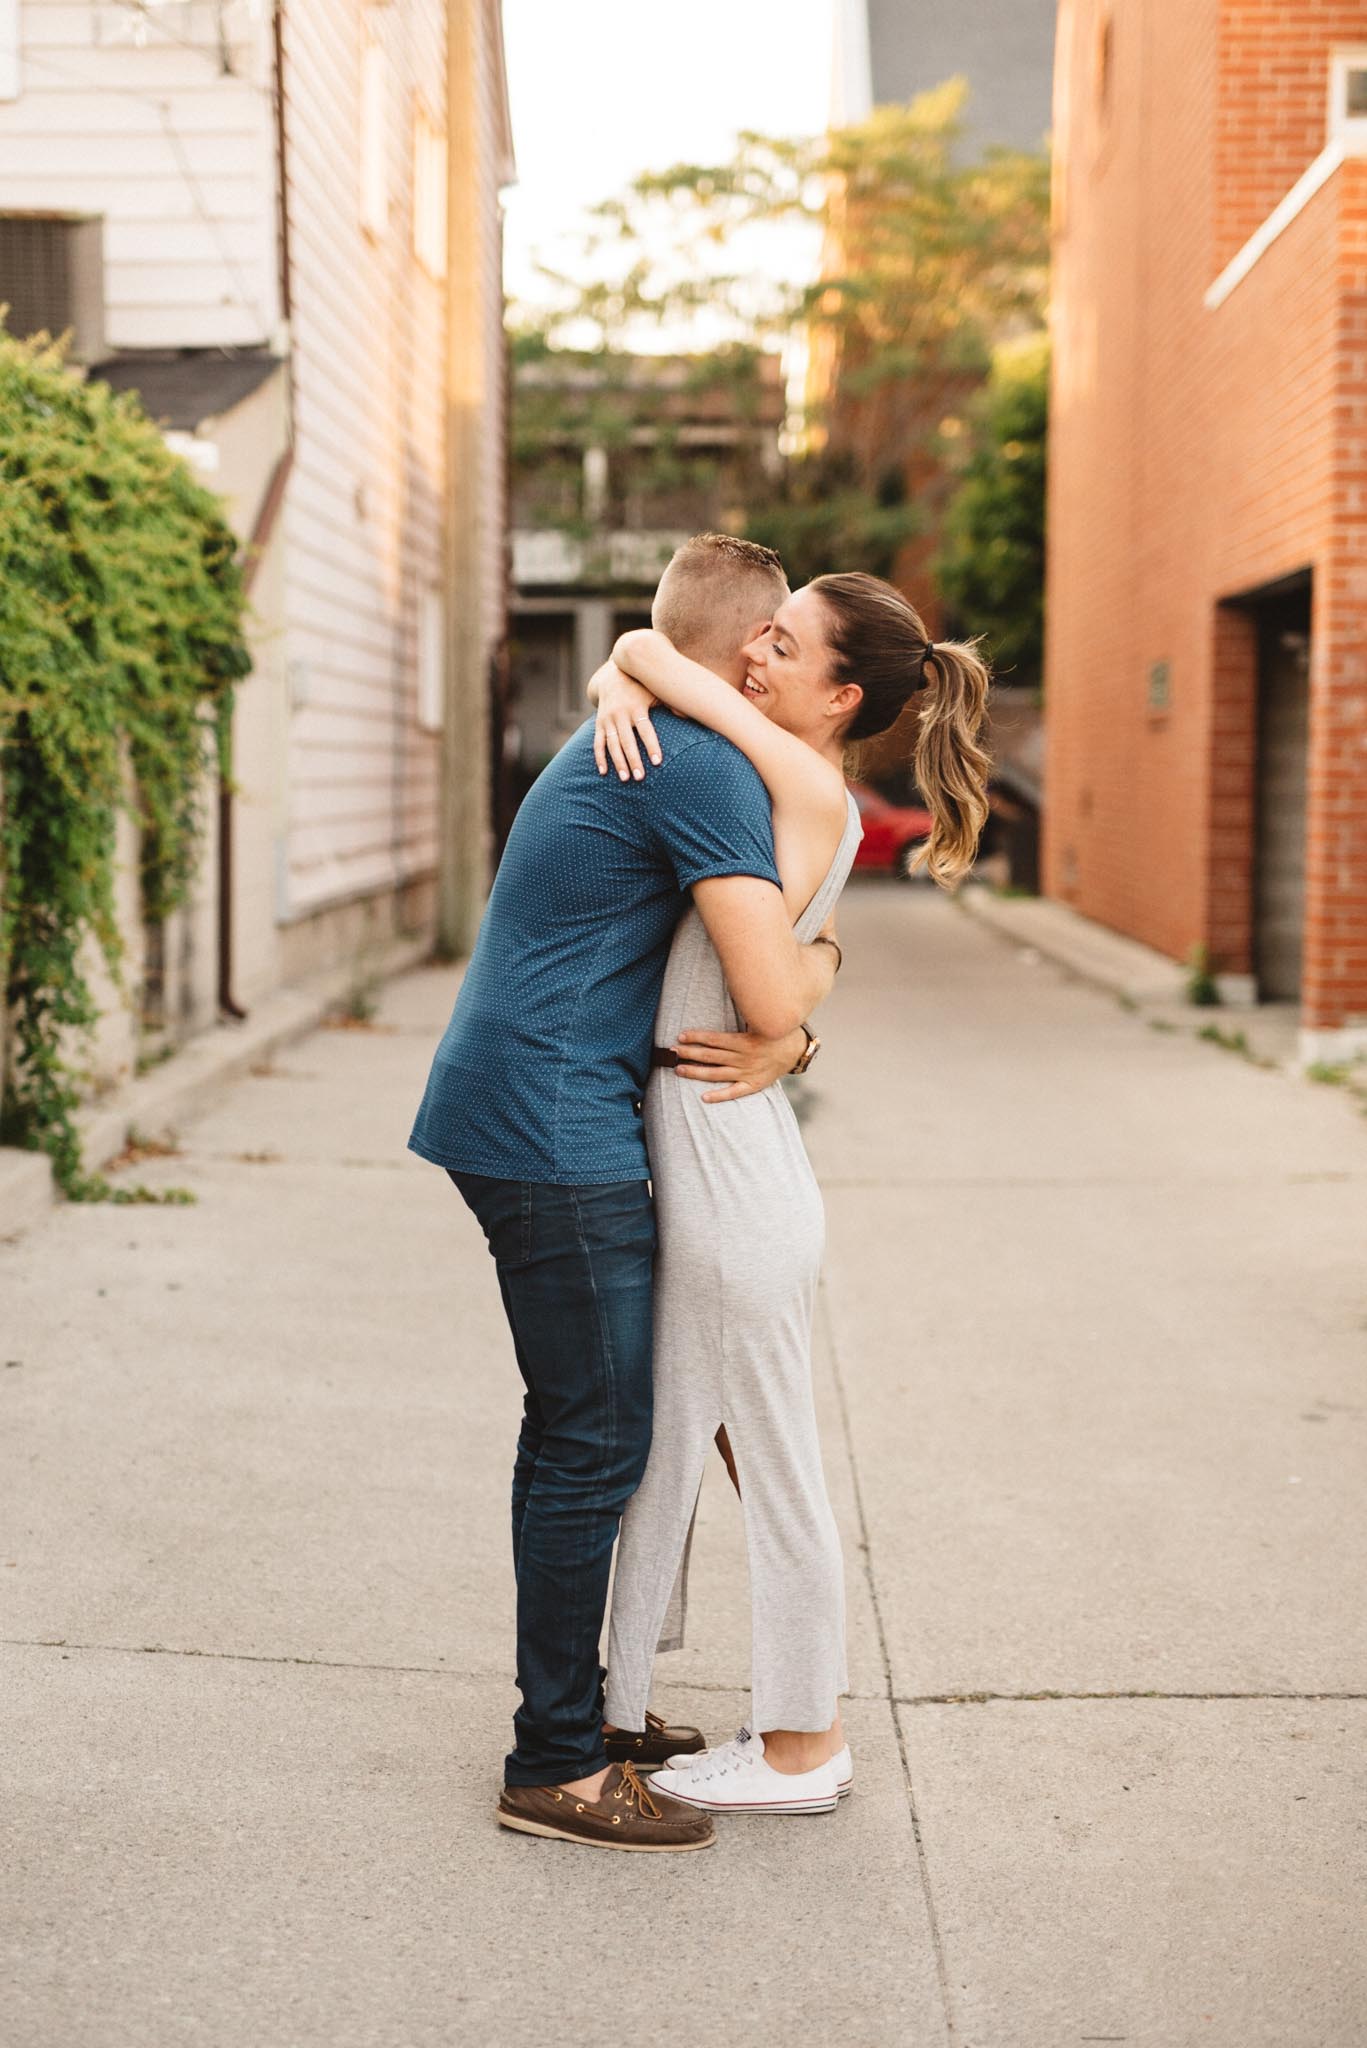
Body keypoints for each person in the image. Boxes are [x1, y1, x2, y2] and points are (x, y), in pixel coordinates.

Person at [407, 534, 839, 1852]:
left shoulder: (660, 727)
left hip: (535, 1104)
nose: (774, 659)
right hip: (547, 1122)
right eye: (771, 640)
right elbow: (765, 992)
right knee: (591, 1433)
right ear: (747, 647)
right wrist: (808, 987)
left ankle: (586, 1716)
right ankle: (552, 1762)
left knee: (605, 1419)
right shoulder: (698, 765)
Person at [592, 572, 990, 1817]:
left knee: (773, 1469)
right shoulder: (766, 775)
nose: (756, 655)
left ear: (839, 693)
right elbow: (653, 665)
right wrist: (621, 674)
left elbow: (652, 650)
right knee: (670, 1447)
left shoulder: (801, 779)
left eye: (785, 643)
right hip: (723, 1155)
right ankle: (612, 1699)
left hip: (734, 1180)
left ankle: (801, 1745)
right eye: (759, 633)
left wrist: (626, 660)